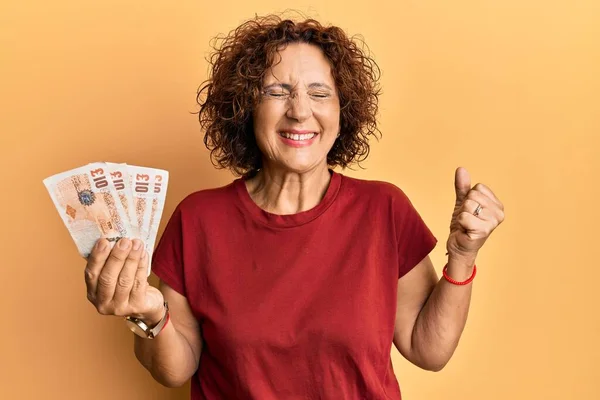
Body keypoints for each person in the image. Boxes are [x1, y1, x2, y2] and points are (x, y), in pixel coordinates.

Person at [84, 14, 505, 399]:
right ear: (247, 107)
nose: (300, 111)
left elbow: (428, 349)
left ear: (343, 111)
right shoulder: (198, 219)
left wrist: (463, 256)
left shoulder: (384, 209)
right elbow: (176, 370)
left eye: (319, 93)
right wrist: (150, 316)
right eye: (277, 91)